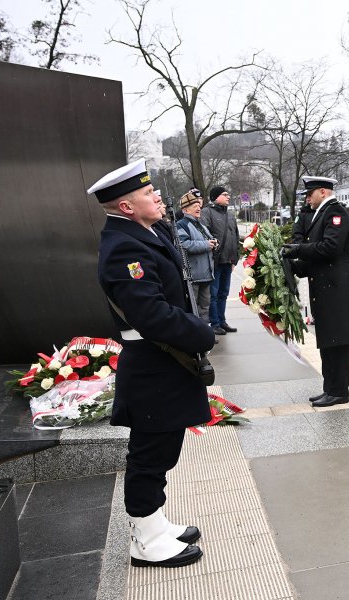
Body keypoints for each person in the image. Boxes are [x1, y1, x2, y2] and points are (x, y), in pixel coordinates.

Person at [90, 159, 213, 568]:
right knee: (149, 455)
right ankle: (145, 539)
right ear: (126, 207)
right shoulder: (124, 247)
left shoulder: (143, 232)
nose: (157, 196)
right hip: (152, 364)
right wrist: (200, 332)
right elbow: (151, 314)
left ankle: (155, 524)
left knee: (162, 450)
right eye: (147, 193)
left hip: (164, 364)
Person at [283, 176, 349, 407]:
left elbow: (330, 248)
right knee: (328, 342)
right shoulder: (323, 212)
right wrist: (296, 266)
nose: (307, 199)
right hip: (327, 287)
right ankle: (330, 388)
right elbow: (319, 256)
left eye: (310, 194)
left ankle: (339, 391)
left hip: (336, 289)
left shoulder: (335, 212)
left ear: (323, 192)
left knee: (337, 343)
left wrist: (298, 249)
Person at [200, 185, 240, 334]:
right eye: (225, 194)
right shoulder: (207, 212)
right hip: (215, 261)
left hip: (228, 261)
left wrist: (235, 258)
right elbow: (205, 233)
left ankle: (222, 321)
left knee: (224, 293)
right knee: (214, 294)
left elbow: (235, 236)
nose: (228, 196)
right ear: (216, 197)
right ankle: (214, 323)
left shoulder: (230, 215)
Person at [176, 189, 216, 332]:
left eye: (199, 206)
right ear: (185, 209)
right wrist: (206, 245)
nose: (199, 208)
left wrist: (213, 242)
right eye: (195, 206)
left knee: (205, 306)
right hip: (193, 275)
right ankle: (196, 334)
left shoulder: (201, 225)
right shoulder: (181, 225)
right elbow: (183, 245)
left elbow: (207, 240)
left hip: (205, 274)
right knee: (194, 307)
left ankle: (206, 333)